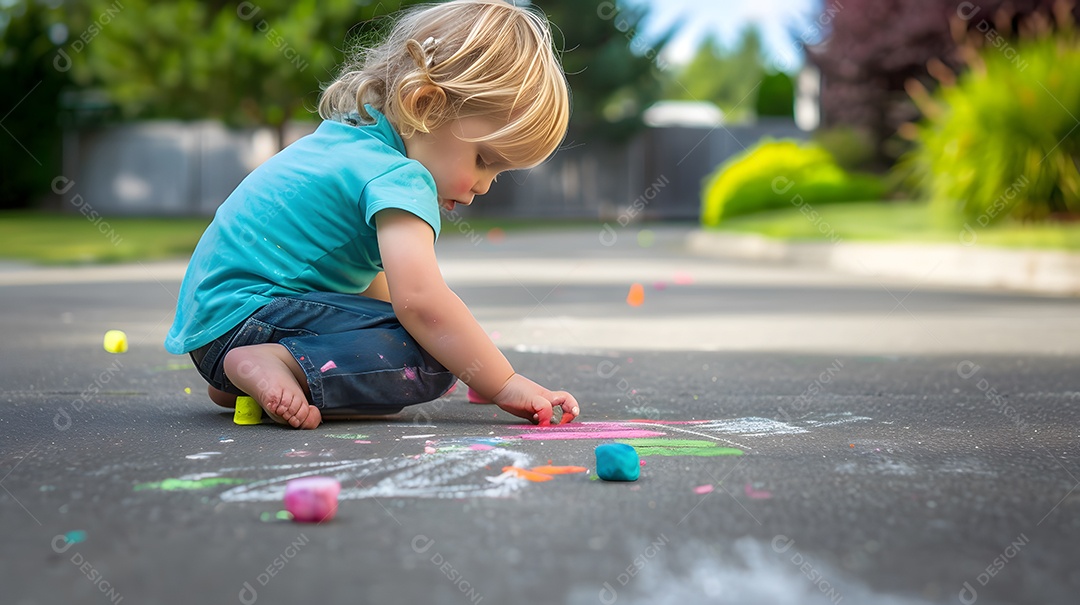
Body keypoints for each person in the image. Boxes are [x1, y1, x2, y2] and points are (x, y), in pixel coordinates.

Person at [164, 0, 579, 429]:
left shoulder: (351, 141)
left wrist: (474, 359)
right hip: (253, 319)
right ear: (426, 104)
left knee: (428, 340)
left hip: (214, 328)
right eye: (483, 160)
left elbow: (381, 292)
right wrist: (502, 381)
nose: (484, 186)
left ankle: (250, 375)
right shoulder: (398, 176)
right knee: (432, 358)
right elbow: (420, 304)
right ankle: (270, 359)